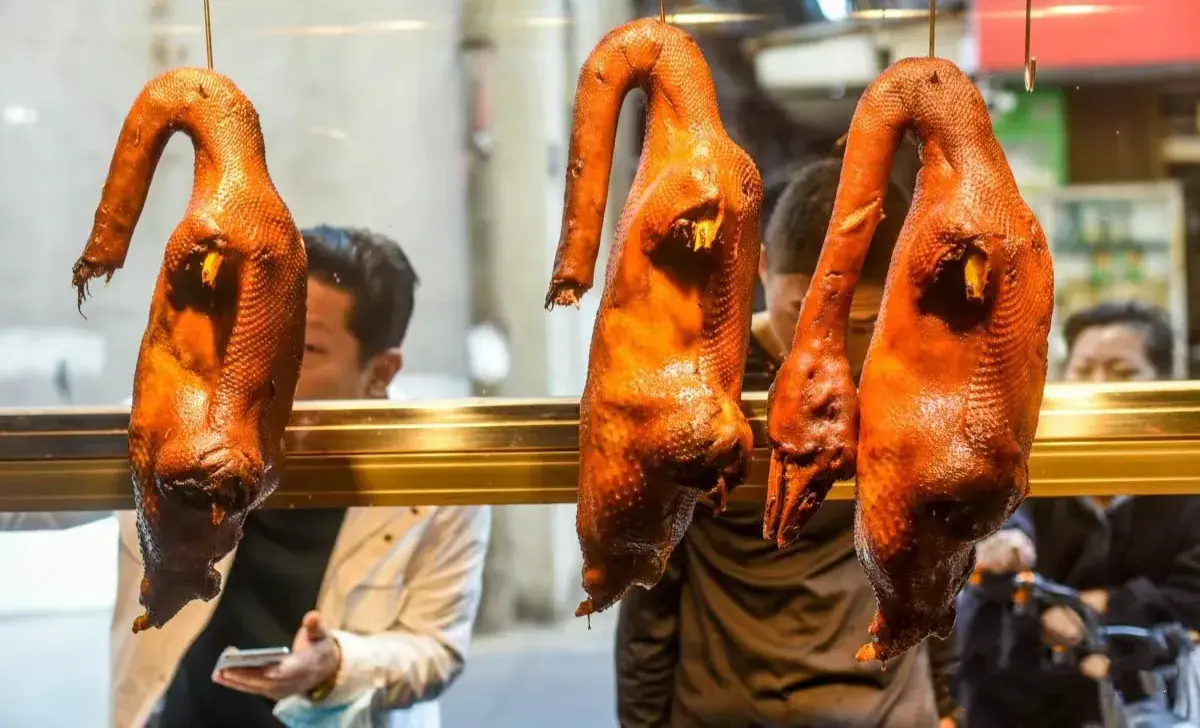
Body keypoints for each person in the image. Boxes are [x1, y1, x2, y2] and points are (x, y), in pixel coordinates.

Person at [0, 226, 491, 728]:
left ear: (381, 372)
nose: (261, 360)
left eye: (306, 346)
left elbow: (436, 648)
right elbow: (25, 493)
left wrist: (337, 663)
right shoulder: (180, 421)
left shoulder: (435, 472)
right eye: (256, 329)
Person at [616, 144, 961, 727]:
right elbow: (653, 590)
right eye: (801, 312)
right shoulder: (706, 382)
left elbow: (937, 565)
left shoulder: (911, 381)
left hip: (886, 711)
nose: (825, 341)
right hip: (729, 711)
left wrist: (951, 706)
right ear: (761, 267)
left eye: (855, 321)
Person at [957, 300, 1200, 728]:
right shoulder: (1027, 466)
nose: (1098, 389)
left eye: (1123, 374)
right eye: (1084, 370)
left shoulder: (1187, 480)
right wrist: (1006, 547)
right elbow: (1000, 537)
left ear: (1161, 384)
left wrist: (1089, 607)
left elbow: (1191, 595)